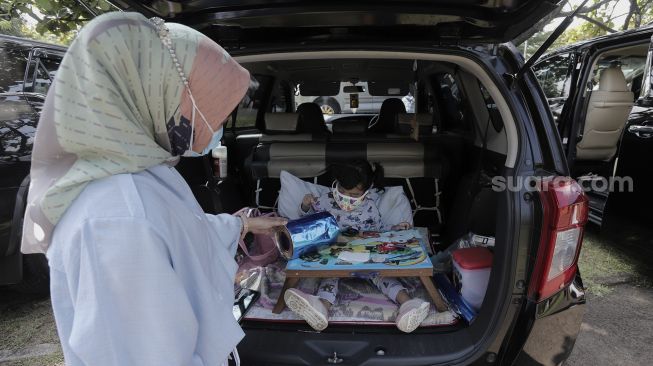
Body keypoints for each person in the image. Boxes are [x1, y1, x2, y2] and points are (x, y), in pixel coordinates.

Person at [20, 12, 286, 366]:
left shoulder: (139, 176)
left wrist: (243, 225)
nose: (218, 124)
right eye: (211, 108)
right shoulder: (116, 218)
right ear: (153, 95)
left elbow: (182, 232)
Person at [283, 160, 430, 333]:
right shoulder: (325, 200)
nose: (346, 198)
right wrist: (305, 205)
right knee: (329, 277)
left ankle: (408, 305)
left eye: (353, 195)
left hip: (365, 255)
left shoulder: (370, 207)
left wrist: (395, 229)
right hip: (335, 255)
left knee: (382, 276)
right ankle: (320, 308)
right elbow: (309, 223)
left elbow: (379, 231)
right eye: (342, 191)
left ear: (365, 192)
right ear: (336, 184)